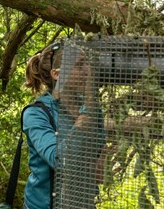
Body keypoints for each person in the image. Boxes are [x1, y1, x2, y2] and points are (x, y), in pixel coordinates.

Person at [22, 41, 105, 209]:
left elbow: (97, 165)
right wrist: (86, 115)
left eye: (88, 63)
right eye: (80, 65)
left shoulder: (92, 109)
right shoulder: (36, 113)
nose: (88, 71)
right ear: (57, 74)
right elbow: (59, 160)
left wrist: (101, 161)